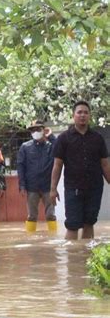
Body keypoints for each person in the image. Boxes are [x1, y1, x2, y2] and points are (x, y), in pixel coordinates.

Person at [50, 100, 110, 240]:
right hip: (73, 189)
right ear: (73, 115)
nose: (82, 115)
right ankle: (72, 260)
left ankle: (87, 257)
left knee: (89, 222)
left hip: (94, 188)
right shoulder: (63, 138)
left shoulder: (98, 138)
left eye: (85, 112)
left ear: (89, 116)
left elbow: (105, 165)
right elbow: (57, 165)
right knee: (72, 224)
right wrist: (53, 189)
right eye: (79, 112)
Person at [17, 120, 57, 233]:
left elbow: (60, 149)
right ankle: (30, 240)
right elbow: (20, 167)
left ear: (44, 130)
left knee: (51, 215)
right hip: (31, 187)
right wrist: (22, 186)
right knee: (31, 216)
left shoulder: (51, 145)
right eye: (33, 130)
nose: (35, 132)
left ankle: (53, 239)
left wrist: (51, 136)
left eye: (38, 129)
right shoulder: (25, 147)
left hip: (48, 187)